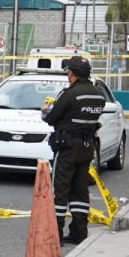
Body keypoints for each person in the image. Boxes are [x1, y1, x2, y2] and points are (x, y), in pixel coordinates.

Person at [42, 55, 105, 245]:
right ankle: (79, 232)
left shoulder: (69, 93)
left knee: (60, 191)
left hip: (67, 147)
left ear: (71, 73)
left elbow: (51, 118)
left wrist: (45, 110)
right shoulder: (98, 95)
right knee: (80, 191)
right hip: (87, 148)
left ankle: (56, 234)